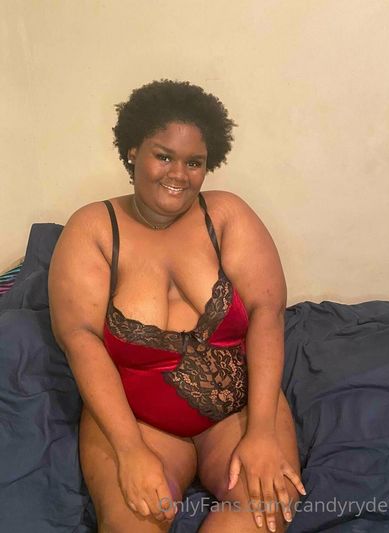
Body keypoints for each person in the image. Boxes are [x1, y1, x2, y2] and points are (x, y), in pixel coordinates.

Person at [48, 80, 305, 533]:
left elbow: (267, 313)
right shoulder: (93, 228)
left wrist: (262, 431)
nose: (179, 174)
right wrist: (129, 450)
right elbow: (80, 339)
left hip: (240, 414)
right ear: (133, 151)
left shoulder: (226, 216)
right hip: (137, 424)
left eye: (194, 162)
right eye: (164, 156)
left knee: (262, 516)